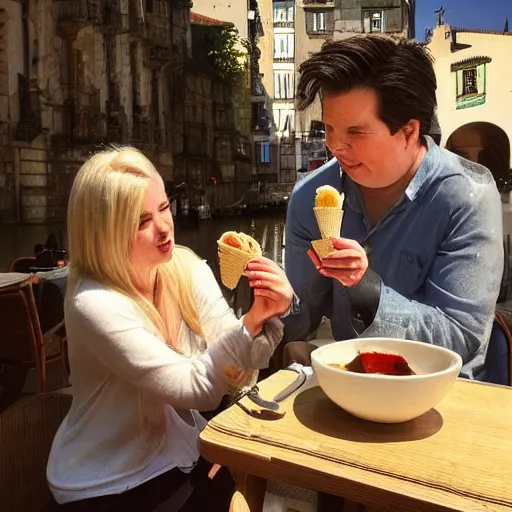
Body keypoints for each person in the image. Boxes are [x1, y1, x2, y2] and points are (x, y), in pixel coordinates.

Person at [45, 147, 293, 511]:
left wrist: (268, 312)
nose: (165, 227)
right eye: (141, 221)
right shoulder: (94, 304)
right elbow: (199, 390)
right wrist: (251, 323)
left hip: (178, 451)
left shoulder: (183, 264)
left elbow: (243, 367)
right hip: (104, 479)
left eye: (164, 207)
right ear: (104, 233)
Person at [276, 34, 503, 379]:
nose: (335, 146)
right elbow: (303, 312)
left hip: (441, 392)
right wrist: (273, 307)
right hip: (346, 385)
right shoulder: (310, 197)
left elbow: (461, 337)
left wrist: (367, 288)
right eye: (329, 128)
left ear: (410, 131)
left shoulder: (466, 196)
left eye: (356, 132)